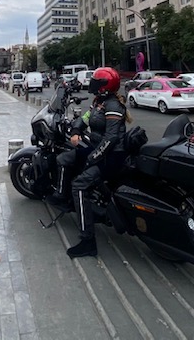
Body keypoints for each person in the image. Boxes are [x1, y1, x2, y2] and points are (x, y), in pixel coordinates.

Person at [66, 67, 131, 258]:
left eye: (95, 80)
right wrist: (76, 130)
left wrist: (92, 159)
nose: (91, 82)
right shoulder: (99, 102)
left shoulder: (113, 106)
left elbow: (110, 139)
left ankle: (88, 242)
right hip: (97, 150)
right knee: (67, 159)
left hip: (111, 156)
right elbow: (85, 119)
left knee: (79, 186)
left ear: (104, 85)